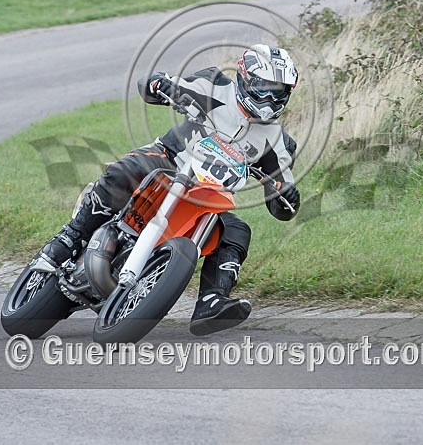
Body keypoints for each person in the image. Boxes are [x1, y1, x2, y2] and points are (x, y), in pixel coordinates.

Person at [40, 44, 301, 336]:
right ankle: (69, 237)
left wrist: (285, 196)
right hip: (169, 161)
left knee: (238, 231)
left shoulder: (280, 143)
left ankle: (211, 301)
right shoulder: (214, 85)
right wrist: (158, 84)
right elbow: (157, 86)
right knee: (126, 171)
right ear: (245, 78)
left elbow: (282, 202)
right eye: (263, 86)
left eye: (278, 90)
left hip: (209, 196)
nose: (268, 97)